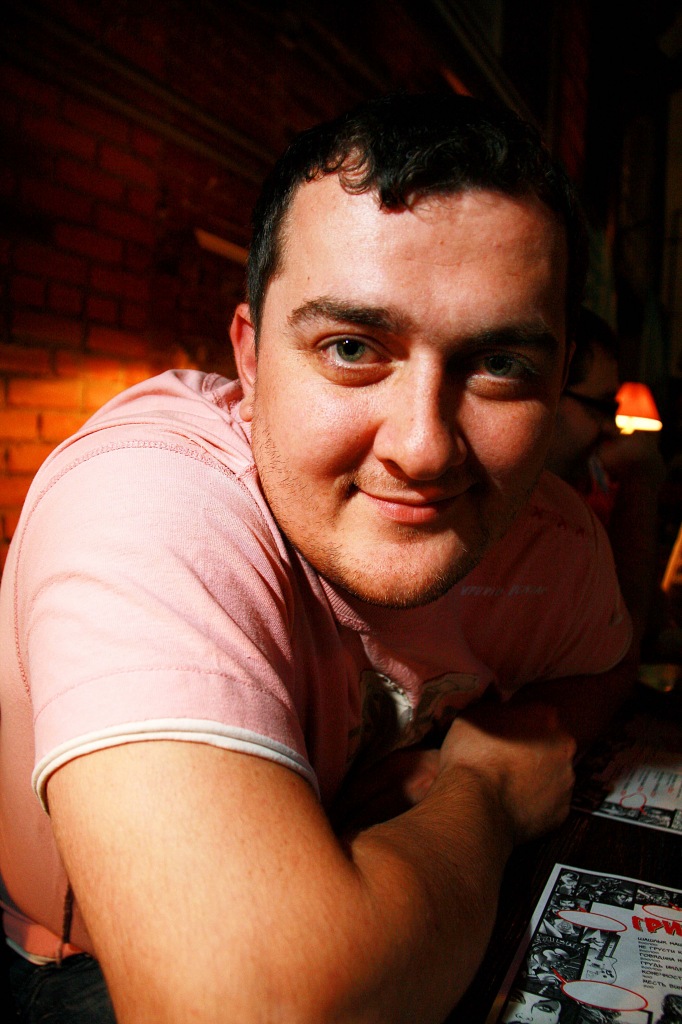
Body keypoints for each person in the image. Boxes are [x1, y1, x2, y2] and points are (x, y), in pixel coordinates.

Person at [0, 93, 634, 1024]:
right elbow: (250, 1008)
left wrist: (499, 742)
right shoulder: (146, 494)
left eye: (501, 365)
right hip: (75, 968)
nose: (424, 449)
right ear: (252, 360)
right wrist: (487, 789)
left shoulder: (548, 528)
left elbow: (603, 668)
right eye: (351, 347)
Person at [545, 307, 665, 650]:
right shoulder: (516, 525)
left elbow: (652, 619)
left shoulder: (580, 496)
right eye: (601, 407)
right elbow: (622, 640)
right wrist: (641, 485)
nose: (612, 428)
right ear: (546, 395)